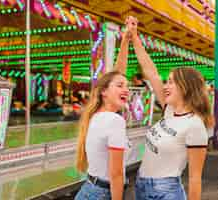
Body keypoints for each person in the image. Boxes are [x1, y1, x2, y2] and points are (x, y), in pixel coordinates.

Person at [126, 16, 214, 200]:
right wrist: (134, 36)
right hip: (141, 185)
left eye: (171, 82)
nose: (165, 86)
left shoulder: (195, 125)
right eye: (167, 82)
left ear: (186, 87)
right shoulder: (169, 110)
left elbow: (195, 178)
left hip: (165, 192)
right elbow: (150, 71)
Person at [75, 21, 132, 200]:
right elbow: (115, 174)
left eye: (127, 86)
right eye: (120, 86)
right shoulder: (114, 121)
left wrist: (125, 40)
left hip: (89, 190)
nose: (126, 90)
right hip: (103, 193)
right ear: (104, 92)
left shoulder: (95, 114)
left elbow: (116, 74)